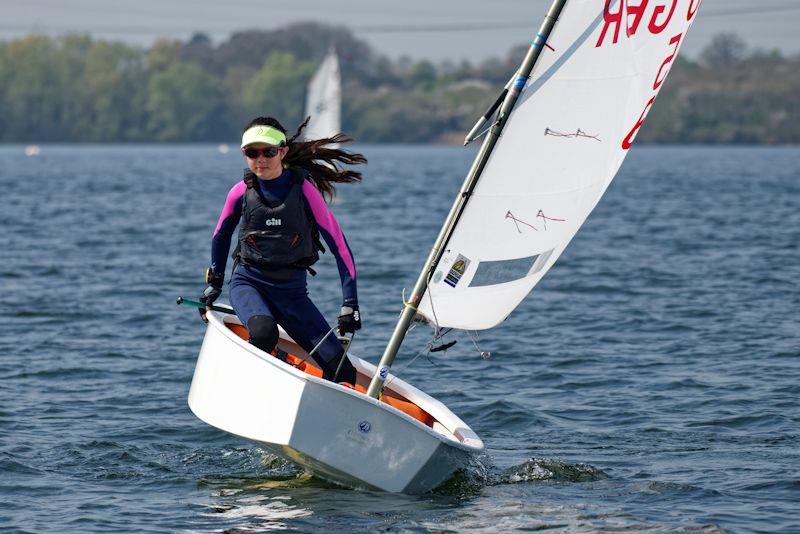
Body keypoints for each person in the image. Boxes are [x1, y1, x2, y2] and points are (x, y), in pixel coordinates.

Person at [199, 116, 366, 385]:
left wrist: (350, 304)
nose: (260, 159)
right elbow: (220, 236)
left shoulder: (305, 191)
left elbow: (340, 246)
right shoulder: (240, 192)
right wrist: (215, 282)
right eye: (252, 153)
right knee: (264, 333)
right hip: (249, 284)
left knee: (343, 373)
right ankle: (269, 370)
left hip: (292, 293)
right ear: (244, 154)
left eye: (269, 151)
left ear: (283, 152)